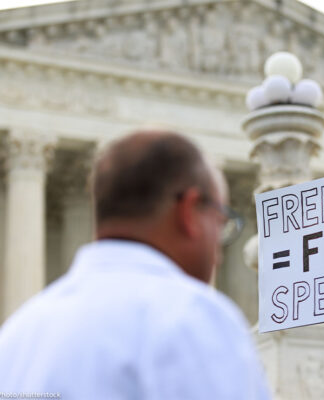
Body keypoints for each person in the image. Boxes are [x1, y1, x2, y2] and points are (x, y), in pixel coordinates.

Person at [0, 130, 271, 399]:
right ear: (188, 211)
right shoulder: (192, 318)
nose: (219, 254)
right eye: (220, 222)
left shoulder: (17, 338)